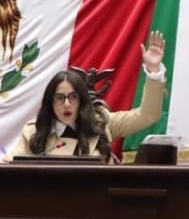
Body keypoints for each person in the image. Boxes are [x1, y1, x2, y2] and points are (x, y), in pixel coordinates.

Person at [9, 30, 167, 161]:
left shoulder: (101, 122)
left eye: (73, 97)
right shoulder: (33, 131)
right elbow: (11, 171)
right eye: (60, 98)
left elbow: (148, 115)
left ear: (82, 100)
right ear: (50, 102)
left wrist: (153, 72)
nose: (67, 104)